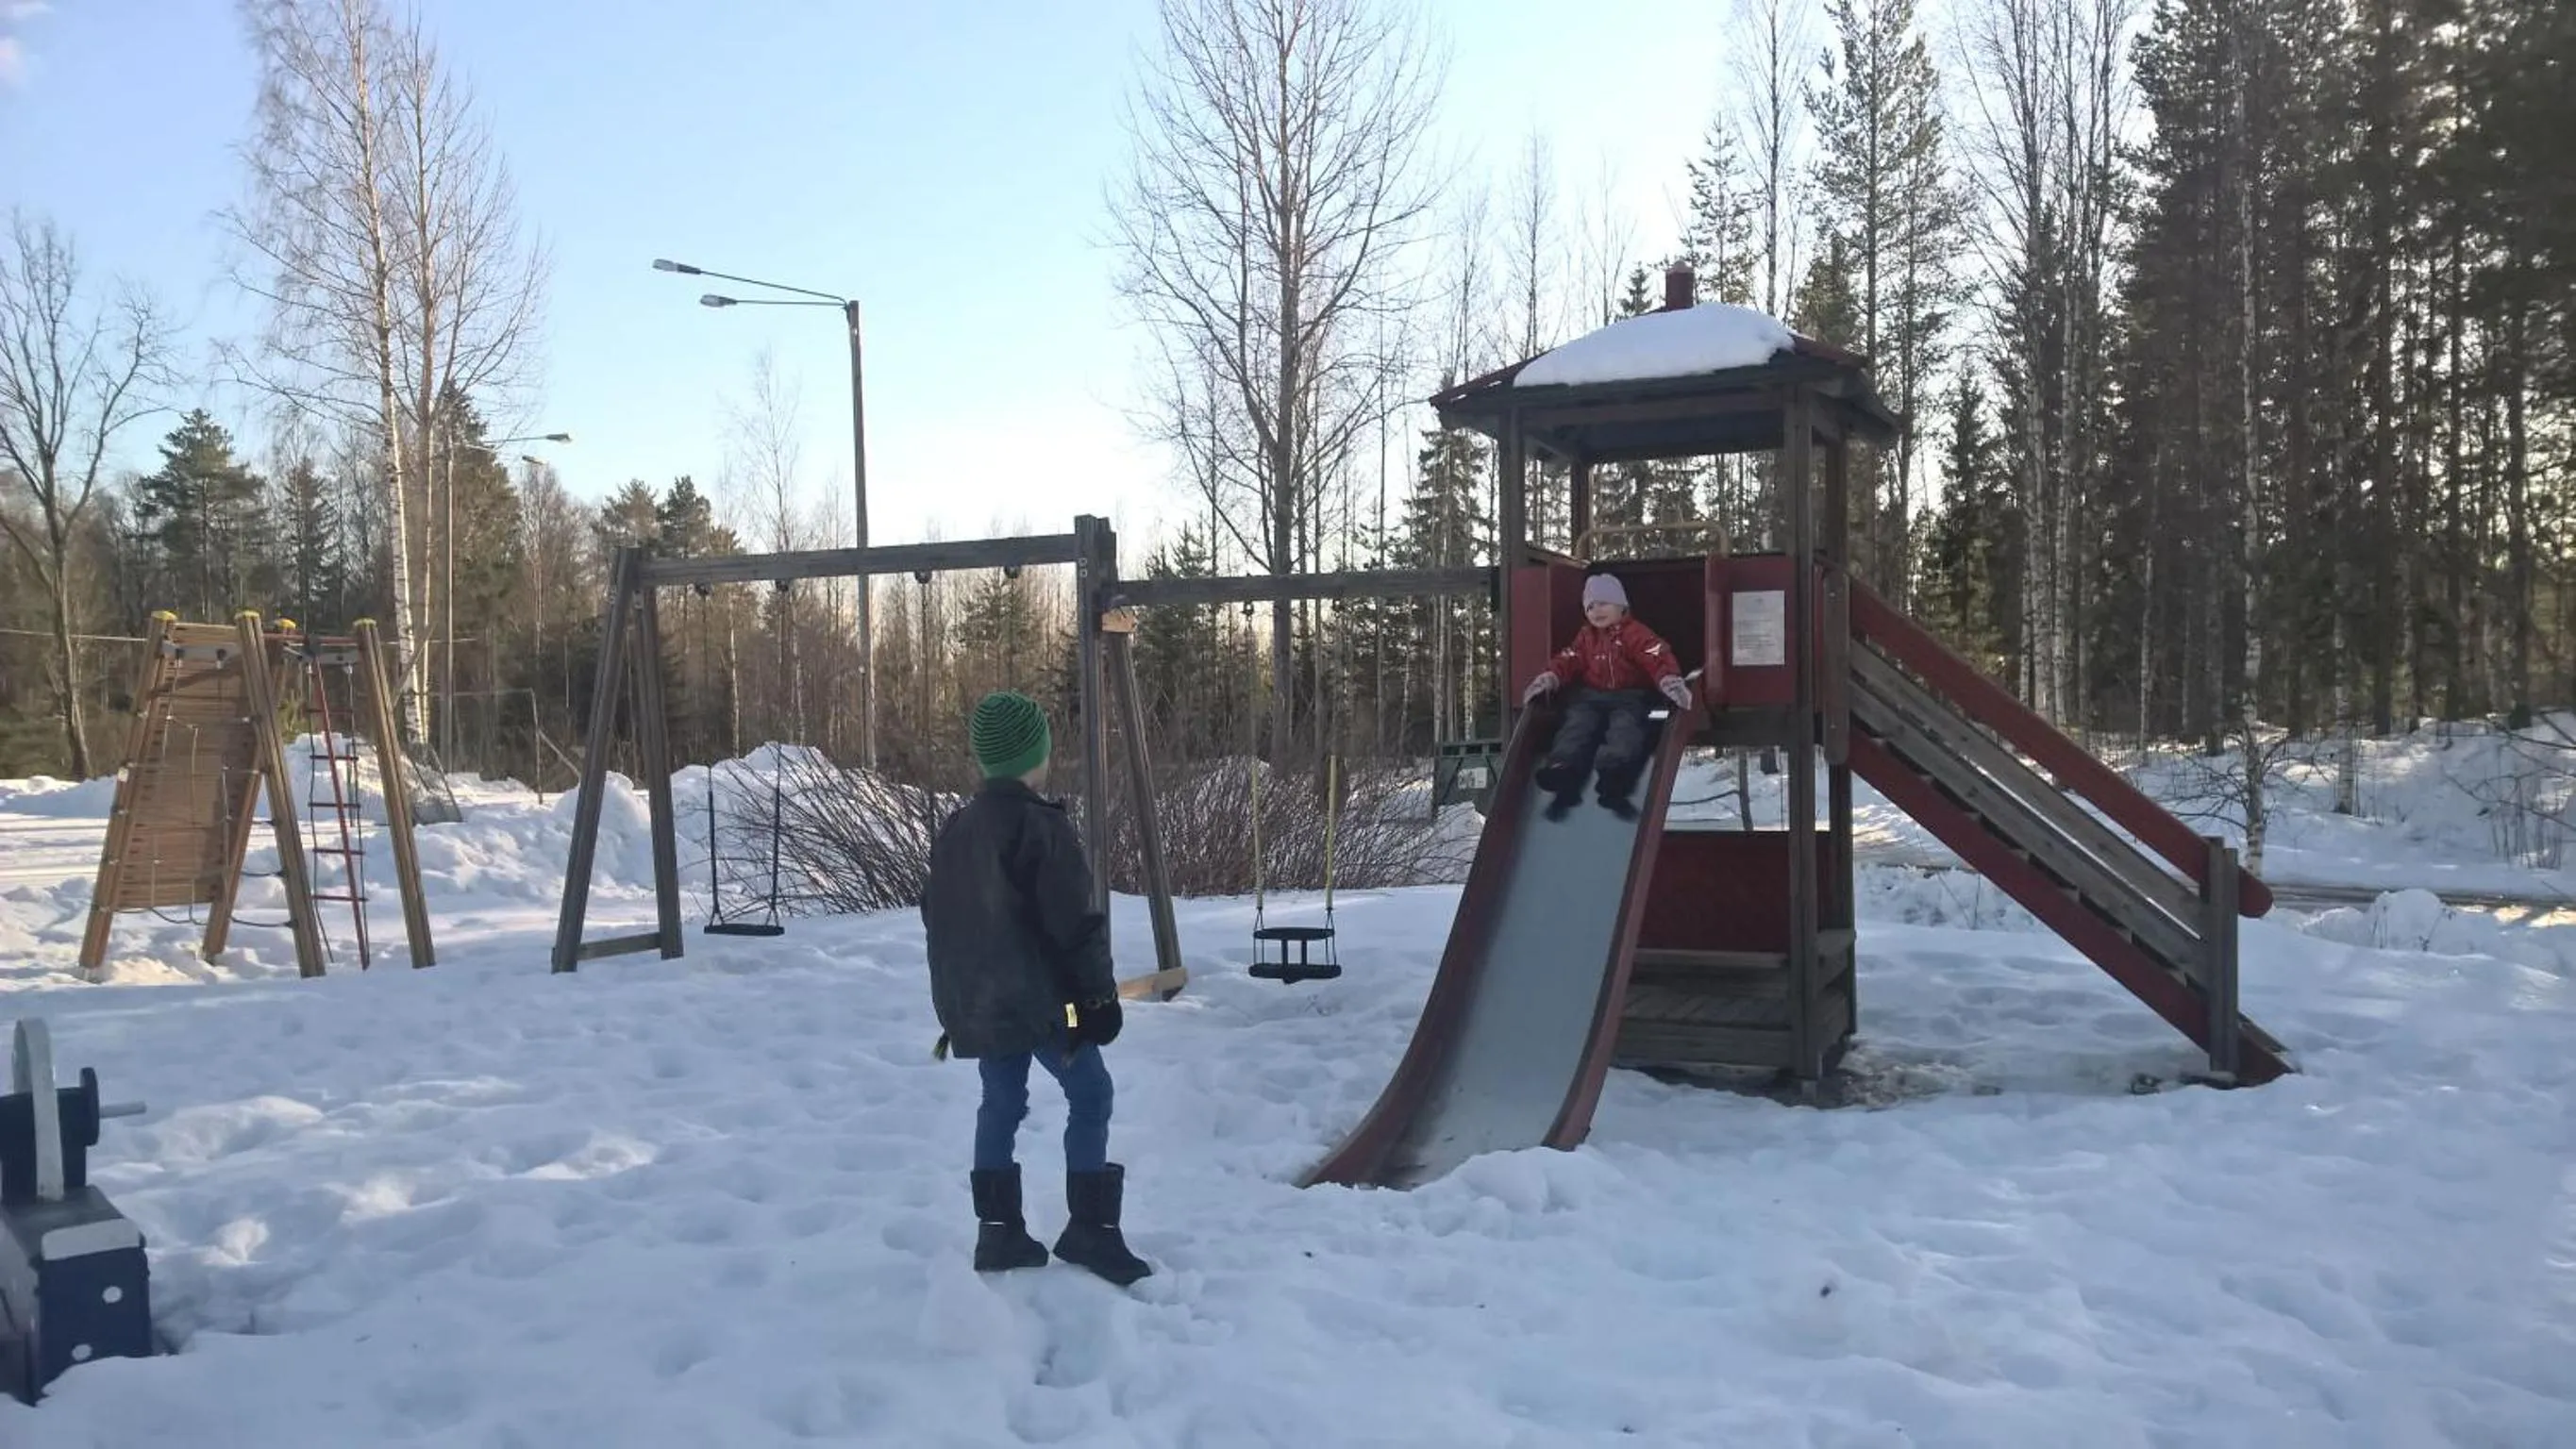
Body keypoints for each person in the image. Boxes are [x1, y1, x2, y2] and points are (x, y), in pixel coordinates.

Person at [921, 690, 1152, 1287]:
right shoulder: (1039, 828)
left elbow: (939, 921)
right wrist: (1097, 1001)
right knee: (1091, 1094)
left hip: (980, 1004)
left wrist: (955, 1003)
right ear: (1035, 755)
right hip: (1046, 1006)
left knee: (1001, 1102)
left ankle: (998, 1233)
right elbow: (1074, 923)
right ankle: (1091, 1231)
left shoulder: (957, 830)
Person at [1520, 573, 1696, 819]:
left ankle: (1614, 773)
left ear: (1621, 605)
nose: (1596, 611)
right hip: (1592, 695)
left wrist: (1669, 681)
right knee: (1576, 723)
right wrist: (1549, 678)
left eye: (1603, 603)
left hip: (1630, 695)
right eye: (1590, 606)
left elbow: (1656, 654)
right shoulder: (1586, 637)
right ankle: (1563, 767)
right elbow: (1568, 659)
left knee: (1625, 728)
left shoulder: (1636, 633)